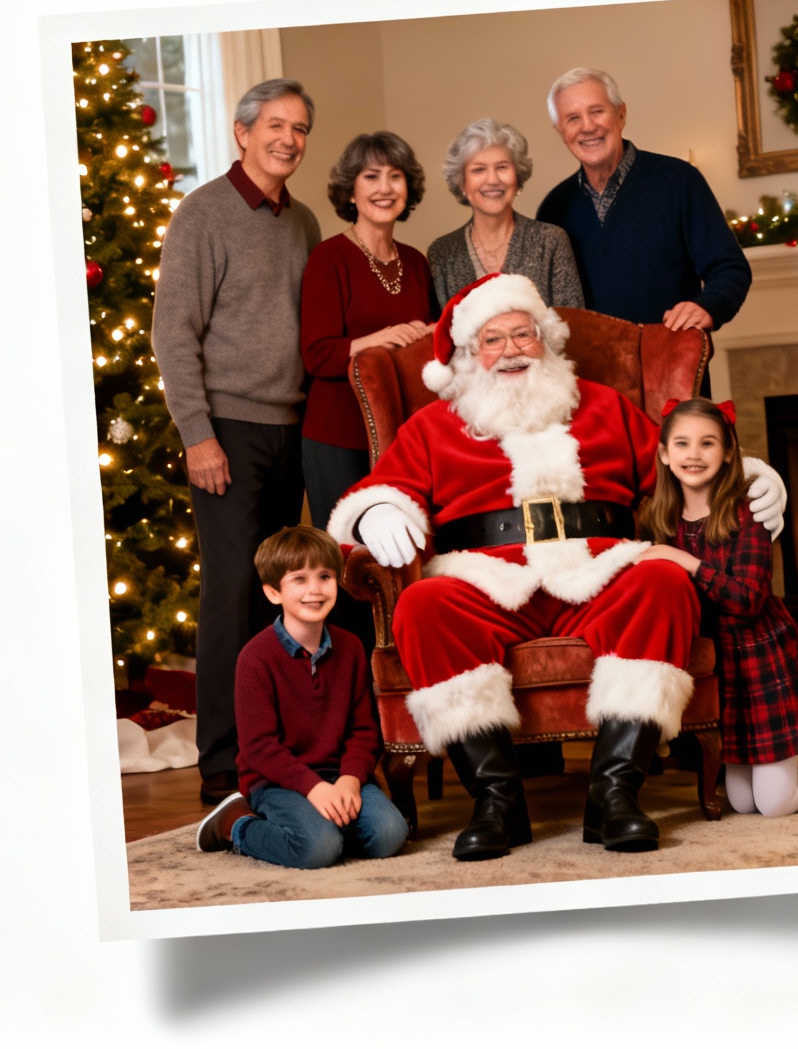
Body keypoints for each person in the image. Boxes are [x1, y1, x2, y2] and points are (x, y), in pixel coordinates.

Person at [324, 273, 791, 860]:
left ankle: (614, 795)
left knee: (664, 580)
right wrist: (378, 509)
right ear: (469, 356)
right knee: (421, 603)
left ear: (546, 340)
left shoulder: (605, 407)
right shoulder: (433, 426)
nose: (512, 349)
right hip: (486, 581)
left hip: (602, 571)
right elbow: (374, 490)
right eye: (493, 340)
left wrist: (749, 478)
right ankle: (497, 802)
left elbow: (684, 465)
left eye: (523, 333)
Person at [152, 78, 322, 805]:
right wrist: (198, 435)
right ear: (242, 132)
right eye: (276, 125)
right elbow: (173, 332)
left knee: (284, 599)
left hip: (292, 429)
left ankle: (271, 748)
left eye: (301, 128)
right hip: (227, 431)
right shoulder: (204, 214)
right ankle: (221, 764)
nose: (289, 138)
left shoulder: (304, 221)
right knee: (231, 597)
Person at [635, 397, 798, 817]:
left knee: (773, 804)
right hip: (717, 668)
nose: (693, 454)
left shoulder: (748, 510)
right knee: (742, 802)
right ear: (664, 453)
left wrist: (686, 562)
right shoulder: (657, 517)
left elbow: (748, 600)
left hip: (761, 656)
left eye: (707, 443)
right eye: (682, 444)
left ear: (730, 451)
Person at [194, 526, 408, 868]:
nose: (314, 590)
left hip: (339, 774)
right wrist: (313, 789)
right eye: (299, 579)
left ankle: (329, 827)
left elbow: (364, 730)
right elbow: (259, 747)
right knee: (317, 849)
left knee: (389, 835)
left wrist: (351, 780)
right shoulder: (255, 658)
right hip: (277, 780)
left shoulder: (351, 648)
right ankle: (235, 824)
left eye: (324, 576)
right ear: (273, 592)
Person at [299, 132, 435, 650]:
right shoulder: (329, 259)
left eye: (395, 177)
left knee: (400, 563)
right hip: (337, 438)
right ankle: (360, 705)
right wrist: (377, 340)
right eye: (371, 177)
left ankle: (400, 691)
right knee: (350, 568)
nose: (384, 188)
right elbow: (316, 354)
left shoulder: (416, 261)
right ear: (350, 191)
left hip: (401, 441)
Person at [535, 67, 752, 332]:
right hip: (590, 370)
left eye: (597, 111)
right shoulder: (554, 208)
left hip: (669, 362)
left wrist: (708, 306)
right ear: (560, 131)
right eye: (573, 118)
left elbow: (729, 267)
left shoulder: (679, 181)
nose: (588, 127)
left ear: (621, 114)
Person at [425, 118, 584, 312]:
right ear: (462, 183)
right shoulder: (442, 253)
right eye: (478, 170)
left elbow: (574, 327)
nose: (492, 180)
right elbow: (440, 336)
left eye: (502, 167)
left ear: (517, 177)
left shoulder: (550, 241)